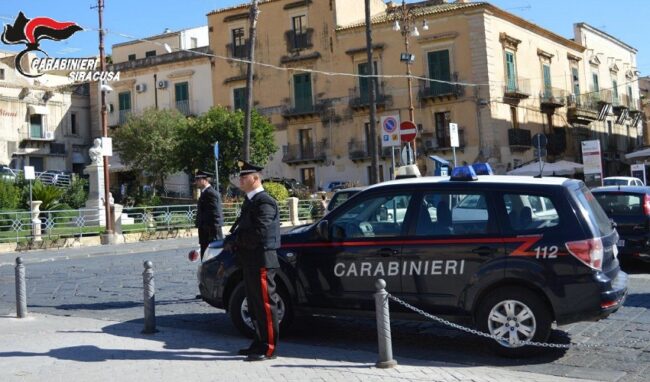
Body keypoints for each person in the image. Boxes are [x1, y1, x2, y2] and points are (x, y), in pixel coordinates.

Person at [226, 159, 281, 362]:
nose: (240, 180)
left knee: (266, 306)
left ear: (256, 178)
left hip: (262, 260)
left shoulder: (264, 201)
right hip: (250, 260)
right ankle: (258, 342)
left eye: (244, 176)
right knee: (255, 304)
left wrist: (238, 240)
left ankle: (269, 348)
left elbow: (260, 232)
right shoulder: (251, 201)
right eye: (240, 176)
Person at [194, 170, 224, 260]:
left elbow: (216, 215)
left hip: (211, 234)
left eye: (198, 179)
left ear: (204, 180)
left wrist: (215, 236)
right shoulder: (205, 192)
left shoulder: (211, 193)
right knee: (205, 259)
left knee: (213, 259)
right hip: (205, 233)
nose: (196, 182)